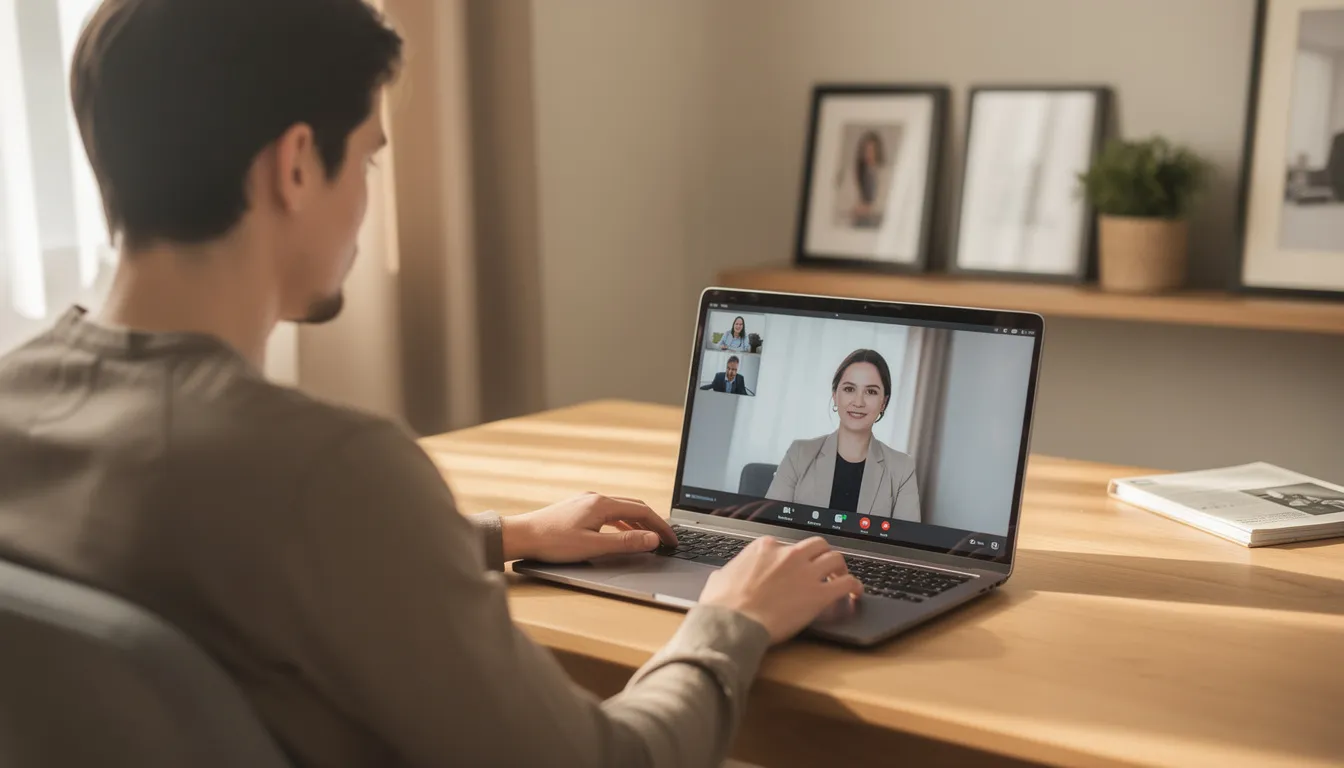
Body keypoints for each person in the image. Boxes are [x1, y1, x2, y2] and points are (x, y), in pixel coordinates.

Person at [0, 2, 862, 766]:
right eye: (369, 162)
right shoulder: (328, 469)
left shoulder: (17, 400)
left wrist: (503, 534)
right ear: (296, 164)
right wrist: (732, 619)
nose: (367, 200)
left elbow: (227, 559)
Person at [765, 349, 920, 522]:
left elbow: (903, 544)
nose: (858, 402)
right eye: (849, 389)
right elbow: (770, 527)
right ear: (835, 395)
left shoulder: (902, 468)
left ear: (883, 402)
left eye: (871, 392)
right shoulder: (799, 453)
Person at [850, 131, 886, 228]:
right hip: (857, 222)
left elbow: (886, 202)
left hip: (876, 224)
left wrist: (869, 209)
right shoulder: (858, 173)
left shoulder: (885, 173)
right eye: (866, 150)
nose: (868, 154)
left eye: (872, 150)